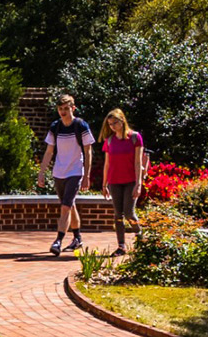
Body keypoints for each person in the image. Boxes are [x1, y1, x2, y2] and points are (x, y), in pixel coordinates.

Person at [36, 94, 94, 256]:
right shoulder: (56, 127)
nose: (63, 112)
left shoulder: (81, 125)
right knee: (69, 205)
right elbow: (49, 151)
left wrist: (86, 175)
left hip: (75, 171)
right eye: (60, 109)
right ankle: (77, 238)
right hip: (59, 172)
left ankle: (58, 241)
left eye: (66, 109)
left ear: (72, 108)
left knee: (65, 206)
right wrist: (41, 173)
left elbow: (88, 151)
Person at [99, 108, 144, 256]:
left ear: (122, 120)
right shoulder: (110, 140)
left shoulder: (135, 138)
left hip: (130, 180)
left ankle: (141, 237)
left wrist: (138, 184)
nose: (112, 126)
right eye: (110, 124)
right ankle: (121, 245)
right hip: (114, 181)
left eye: (115, 123)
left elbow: (138, 163)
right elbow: (107, 164)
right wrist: (104, 184)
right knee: (118, 214)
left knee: (129, 213)